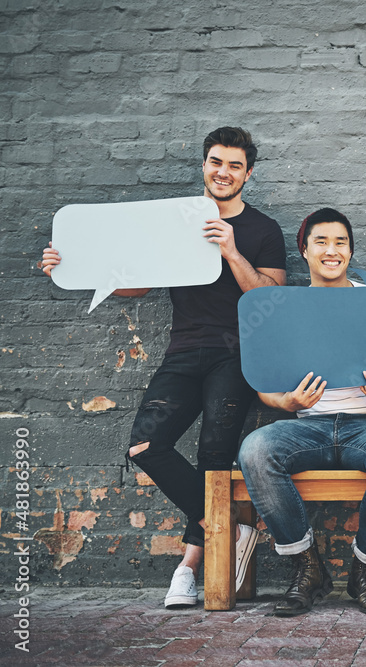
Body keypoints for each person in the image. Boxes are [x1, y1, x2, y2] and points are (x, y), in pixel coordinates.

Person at [40, 127, 286, 609]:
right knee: (144, 446)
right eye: (216, 162)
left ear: (248, 174)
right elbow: (135, 285)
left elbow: (269, 299)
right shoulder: (178, 221)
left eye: (235, 165)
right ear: (204, 166)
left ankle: (188, 569)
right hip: (183, 351)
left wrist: (231, 250)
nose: (224, 171)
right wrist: (71, 265)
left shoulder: (262, 230)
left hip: (237, 354)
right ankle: (232, 528)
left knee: (215, 459)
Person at [237, 208, 366, 617]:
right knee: (255, 450)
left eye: (340, 242)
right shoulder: (289, 308)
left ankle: (365, 571)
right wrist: (286, 403)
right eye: (321, 241)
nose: (331, 251)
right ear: (304, 250)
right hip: (310, 427)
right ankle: (307, 567)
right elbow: (268, 384)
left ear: (351, 251)